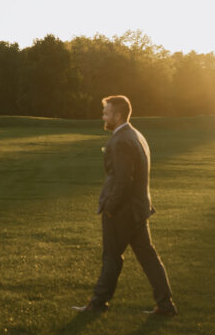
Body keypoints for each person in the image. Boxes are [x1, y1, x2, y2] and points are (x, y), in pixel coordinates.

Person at [75, 94, 177, 316]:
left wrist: (110, 207)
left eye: (106, 112)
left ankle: (99, 302)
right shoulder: (136, 135)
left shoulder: (120, 140)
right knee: (148, 256)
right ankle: (166, 304)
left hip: (122, 211)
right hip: (138, 209)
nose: (103, 116)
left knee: (111, 257)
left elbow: (123, 179)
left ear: (118, 115)